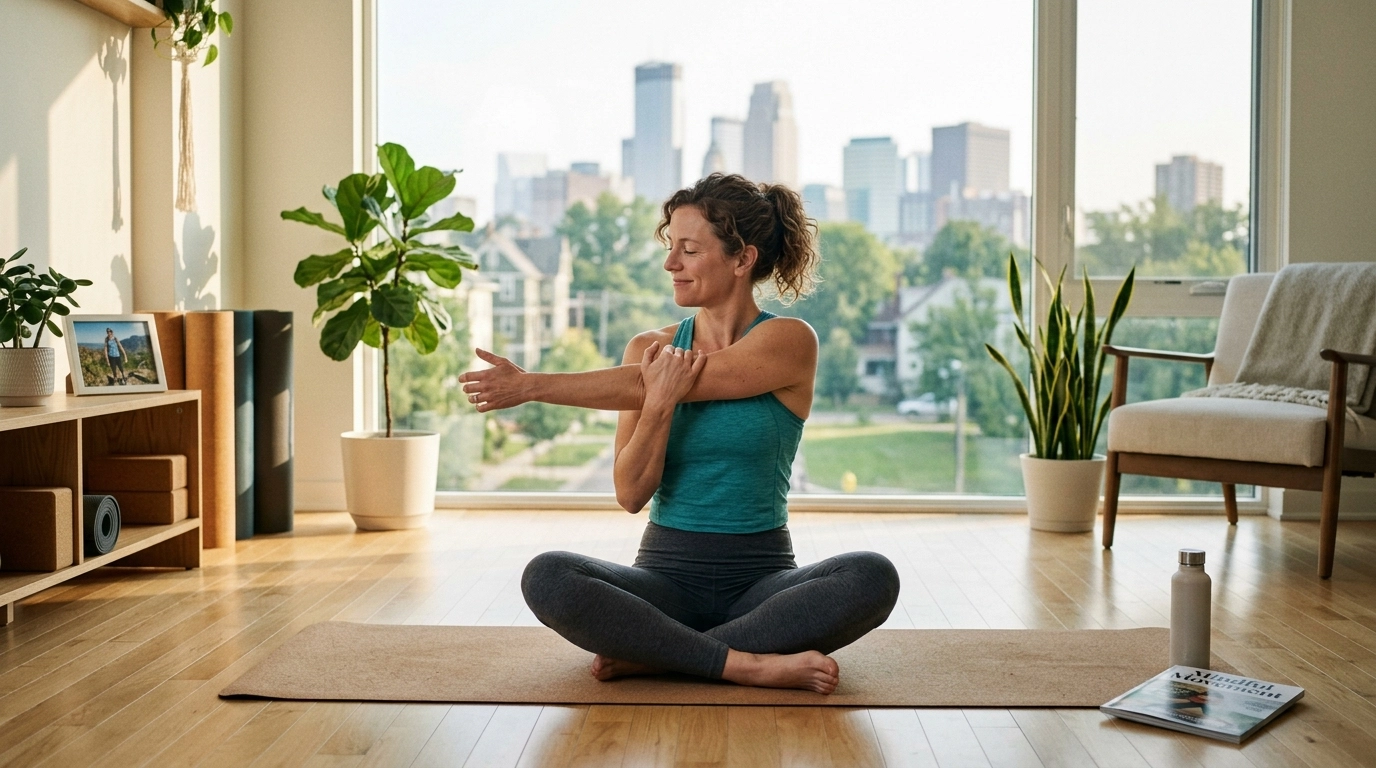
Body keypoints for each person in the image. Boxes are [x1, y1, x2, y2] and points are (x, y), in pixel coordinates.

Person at [458, 173, 900, 694]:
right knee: (547, 576)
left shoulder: (788, 341)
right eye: (672, 248)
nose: (671, 264)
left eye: (688, 250)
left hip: (762, 581)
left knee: (873, 574)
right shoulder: (646, 349)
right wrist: (658, 404)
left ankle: (662, 652)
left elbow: (692, 380)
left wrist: (532, 385)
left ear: (742, 260)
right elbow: (629, 495)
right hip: (663, 580)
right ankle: (745, 663)